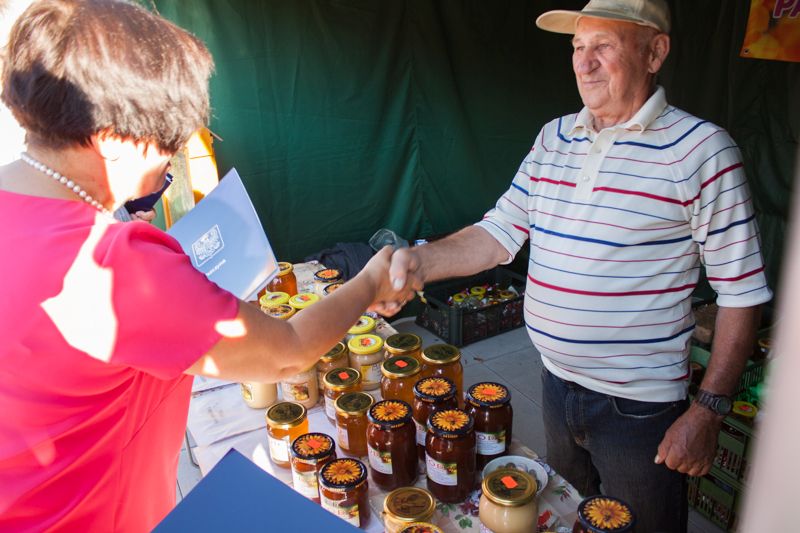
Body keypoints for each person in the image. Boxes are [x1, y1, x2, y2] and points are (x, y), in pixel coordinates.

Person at [0, 1, 417, 530]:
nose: (167, 165)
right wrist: (369, 282)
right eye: (165, 149)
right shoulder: (111, 264)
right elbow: (286, 353)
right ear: (114, 140)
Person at [385, 0, 771, 530]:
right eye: (577, 47)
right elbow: (498, 234)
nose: (583, 63)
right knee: (569, 515)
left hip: (638, 409)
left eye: (603, 46)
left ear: (655, 52)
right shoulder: (554, 137)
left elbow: (741, 292)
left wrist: (707, 410)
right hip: (555, 384)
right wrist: (419, 260)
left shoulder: (701, 151)